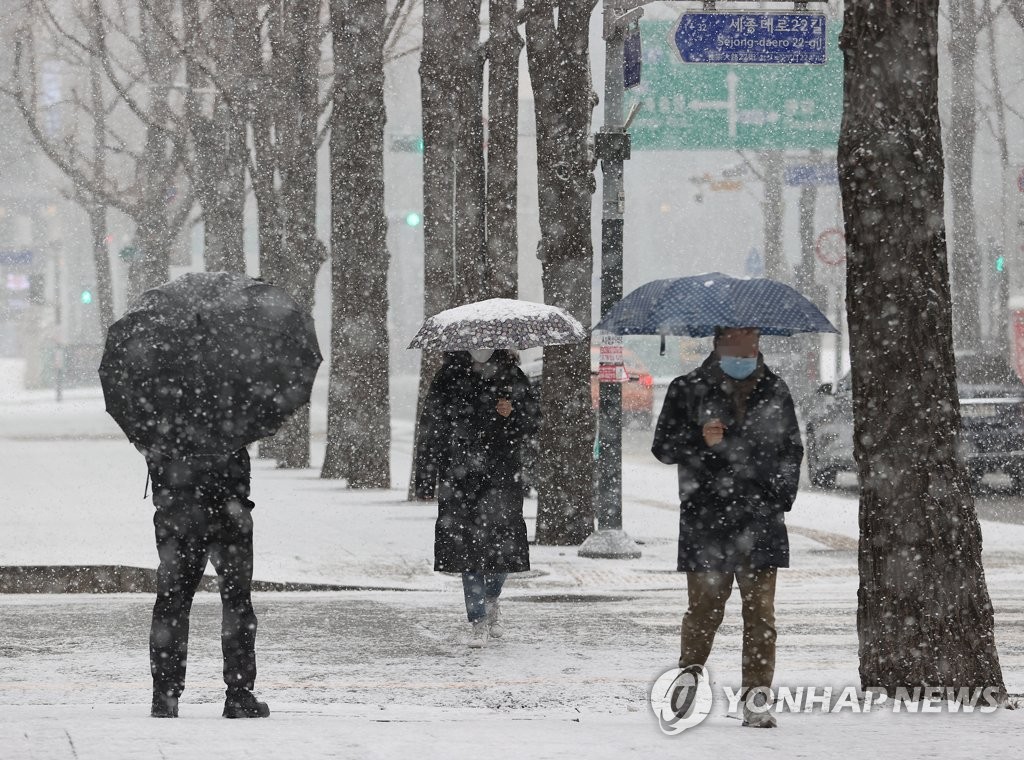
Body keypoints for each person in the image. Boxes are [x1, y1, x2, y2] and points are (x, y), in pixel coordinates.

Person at [651, 327, 803, 728]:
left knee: (761, 617)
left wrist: (780, 495)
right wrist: (699, 439)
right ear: (718, 344)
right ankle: (686, 685)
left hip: (760, 518)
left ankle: (756, 701)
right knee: (703, 613)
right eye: (737, 343)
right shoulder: (688, 389)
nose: (745, 351)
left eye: (751, 343)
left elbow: (791, 448)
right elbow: (662, 447)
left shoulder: (775, 389)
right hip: (707, 520)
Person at [414, 349, 538, 648]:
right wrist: (426, 478)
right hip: (460, 478)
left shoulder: (512, 376)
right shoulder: (448, 377)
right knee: (467, 551)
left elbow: (532, 424)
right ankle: (477, 618)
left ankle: (492, 597)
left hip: (502, 476)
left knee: (503, 548)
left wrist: (513, 415)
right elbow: (430, 428)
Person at [143, 445, 270, 719]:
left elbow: (152, 454)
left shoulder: (161, 413)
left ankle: (165, 696)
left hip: (177, 516)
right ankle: (238, 693)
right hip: (228, 514)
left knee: (172, 604)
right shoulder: (232, 409)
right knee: (236, 603)